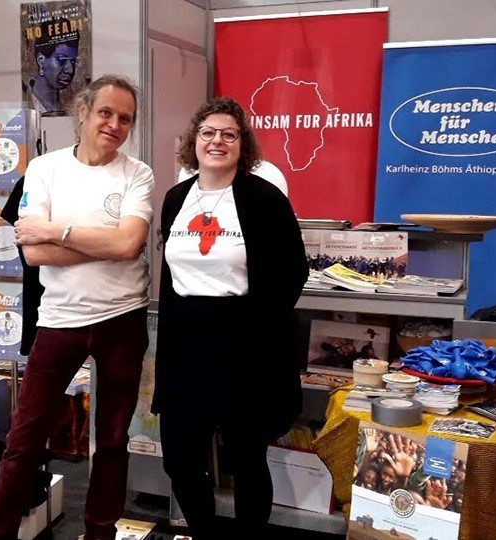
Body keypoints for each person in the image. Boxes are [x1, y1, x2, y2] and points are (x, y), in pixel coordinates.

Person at [0, 75, 153, 540]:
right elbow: (34, 253)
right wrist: (106, 243)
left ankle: (100, 533)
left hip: (123, 319)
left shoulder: (138, 174)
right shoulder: (44, 169)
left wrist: (58, 231)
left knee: (113, 440)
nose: (114, 125)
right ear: (83, 113)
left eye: (125, 118)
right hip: (60, 321)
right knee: (24, 439)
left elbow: (129, 244)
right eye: (105, 113)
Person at [153, 97, 308, 539]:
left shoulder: (265, 199)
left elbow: (294, 271)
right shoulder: (176, 198)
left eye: (229, 134)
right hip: (185, 344)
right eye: (208, 133)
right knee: (180, 458)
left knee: (246, 458)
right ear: (194, 141)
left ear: (243, 144)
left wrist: (260, 325)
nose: (217, 141)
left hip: (245, 346)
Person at [27, 18, 80, 115]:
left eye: (73, 61)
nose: (70, 70)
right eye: (61, 60)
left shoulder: (68, 107)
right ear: (41, 61)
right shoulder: (24, 106)